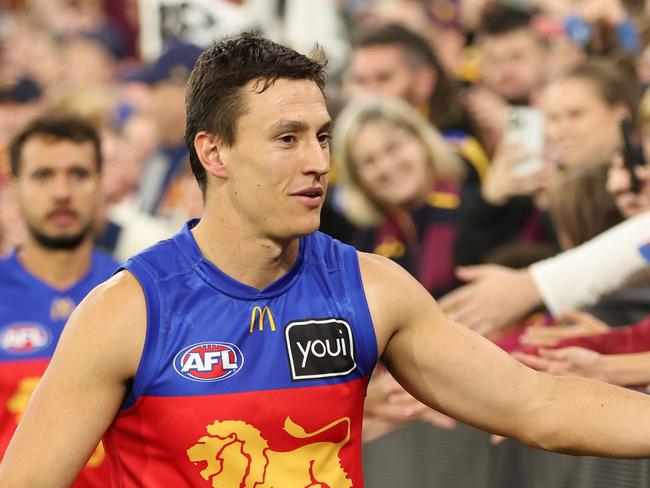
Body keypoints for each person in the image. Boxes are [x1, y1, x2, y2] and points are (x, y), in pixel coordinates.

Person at [4, 33, 650, 488]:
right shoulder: (127, 312)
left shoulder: (372, 289)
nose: (316, 161)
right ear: (213, 152)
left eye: (321, 136)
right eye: (286, 139)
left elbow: (541, 409)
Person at [0, 113, 119, 486]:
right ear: (14, 185)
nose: (62, 192)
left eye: (79, 174)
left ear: (101, 183)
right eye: (43, 175)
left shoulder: (139, 294)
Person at [334, 96, 464, 298]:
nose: (386, 167)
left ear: (421, 141)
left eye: (393, 148)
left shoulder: (475, 208)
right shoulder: (365, 250)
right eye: (369, 161)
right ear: (358, 179)